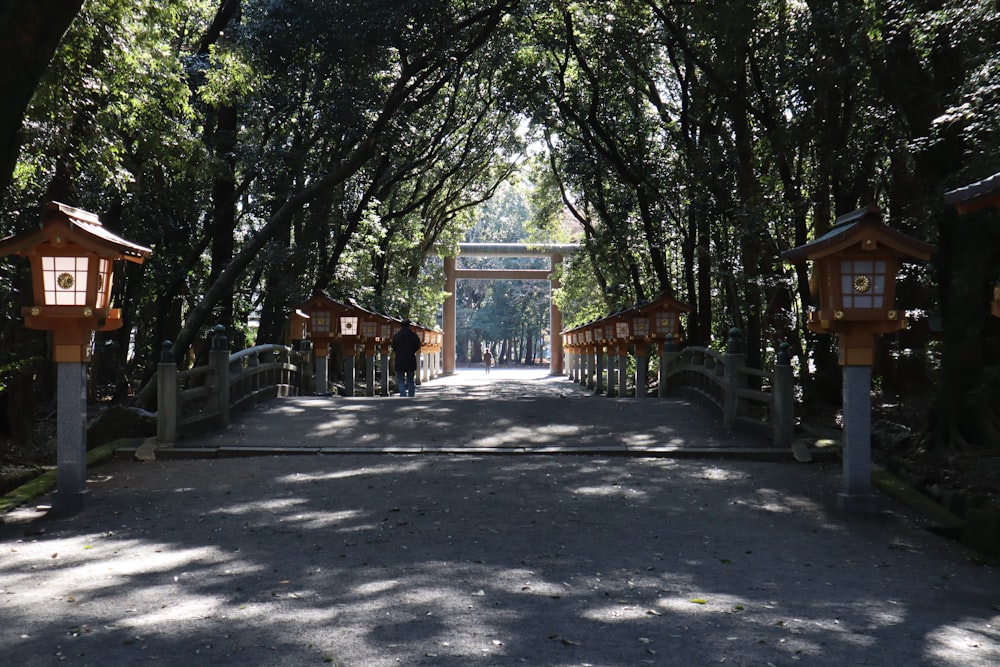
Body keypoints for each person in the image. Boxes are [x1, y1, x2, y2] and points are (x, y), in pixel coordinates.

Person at [391, 318, 422, 397]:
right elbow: (417, 345)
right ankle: (411, 395)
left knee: (400, 379)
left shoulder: (396, 335)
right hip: (410, 359)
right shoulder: (413, 335)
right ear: (409, 326)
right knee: (410, 379)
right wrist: (412, 351)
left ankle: (403, 394)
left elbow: (393, 346)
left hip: (399, 359)